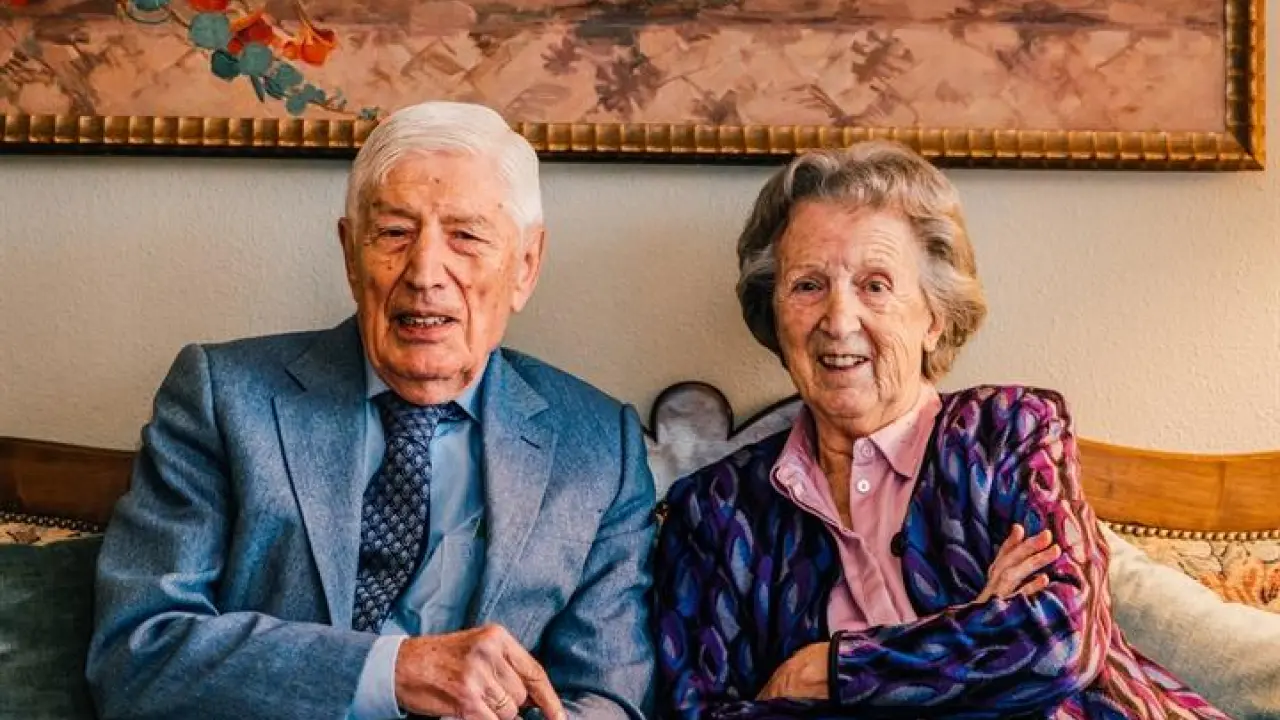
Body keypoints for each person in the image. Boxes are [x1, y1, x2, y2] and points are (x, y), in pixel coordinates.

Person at [86, 101, 656, 720]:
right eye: (393, 233)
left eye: (466, 236)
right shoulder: (221, 398)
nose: (425, 273)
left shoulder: (599, 445)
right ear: (350, 255)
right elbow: (137, 653)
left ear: (525, 266)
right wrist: (395, 670)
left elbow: (608, 695)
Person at [652, 141, 1229, 719]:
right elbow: (699, 714)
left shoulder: (1008, 434)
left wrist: (829, 670)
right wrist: (975, 635)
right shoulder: (716, 510)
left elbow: (1059, 641)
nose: (839, 319)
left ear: (935, 317)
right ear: (775, 314)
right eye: (808, 285)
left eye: (875, 285)